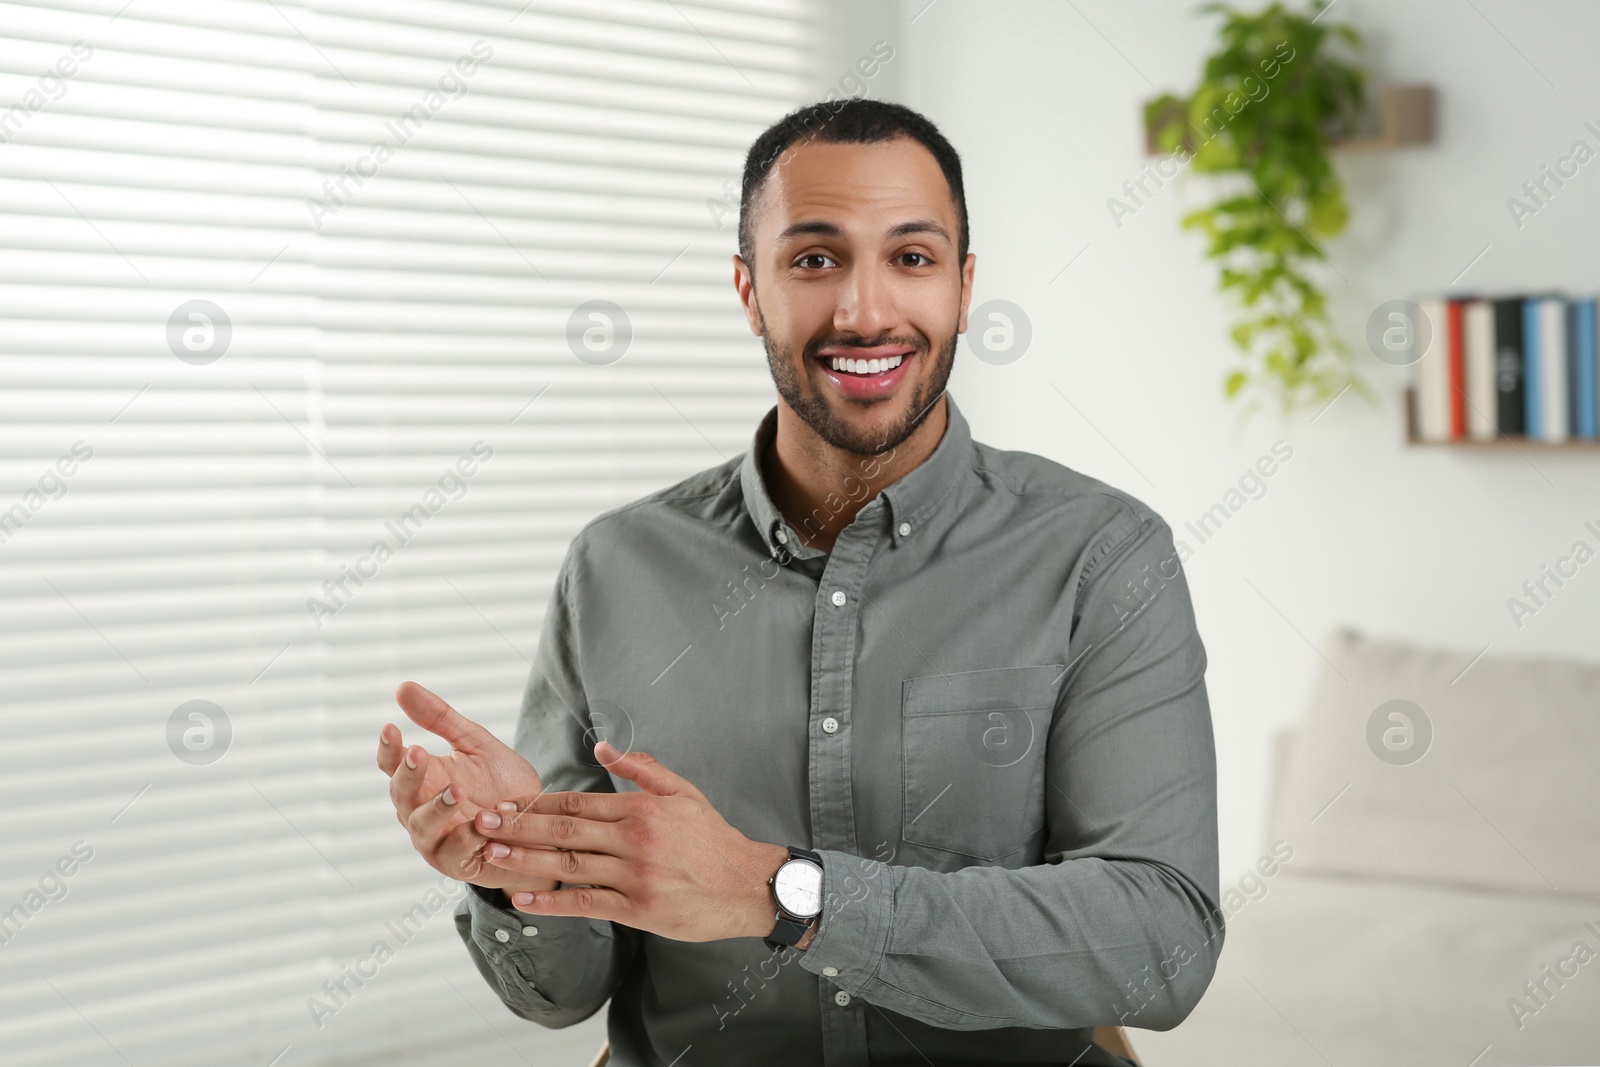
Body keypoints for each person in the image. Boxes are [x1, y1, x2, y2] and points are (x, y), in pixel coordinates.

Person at [377, 98, 1222, 1066]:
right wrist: (516, 867)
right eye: (814, 259)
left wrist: (777, 890)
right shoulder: (615, 565)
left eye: (911, 257)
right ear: (748, 290)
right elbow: (558, 994)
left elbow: (1163, 942)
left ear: (962, 285)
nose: (866, 311)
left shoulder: (1099, 553)